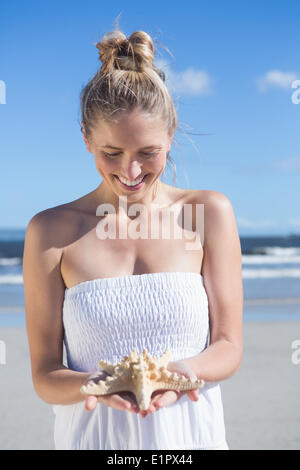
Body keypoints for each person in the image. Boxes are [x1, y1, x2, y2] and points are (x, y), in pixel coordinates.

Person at [23, 25, 243, 451]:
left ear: (170, 136)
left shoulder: (209, 214)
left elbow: (229, 347)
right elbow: (45, 375)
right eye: (112, 153)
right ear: (86, 139)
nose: (130, 172)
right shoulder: (50, 232)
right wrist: (97, 384)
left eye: (148, 153)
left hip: (189, 441)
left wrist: (173, 375)